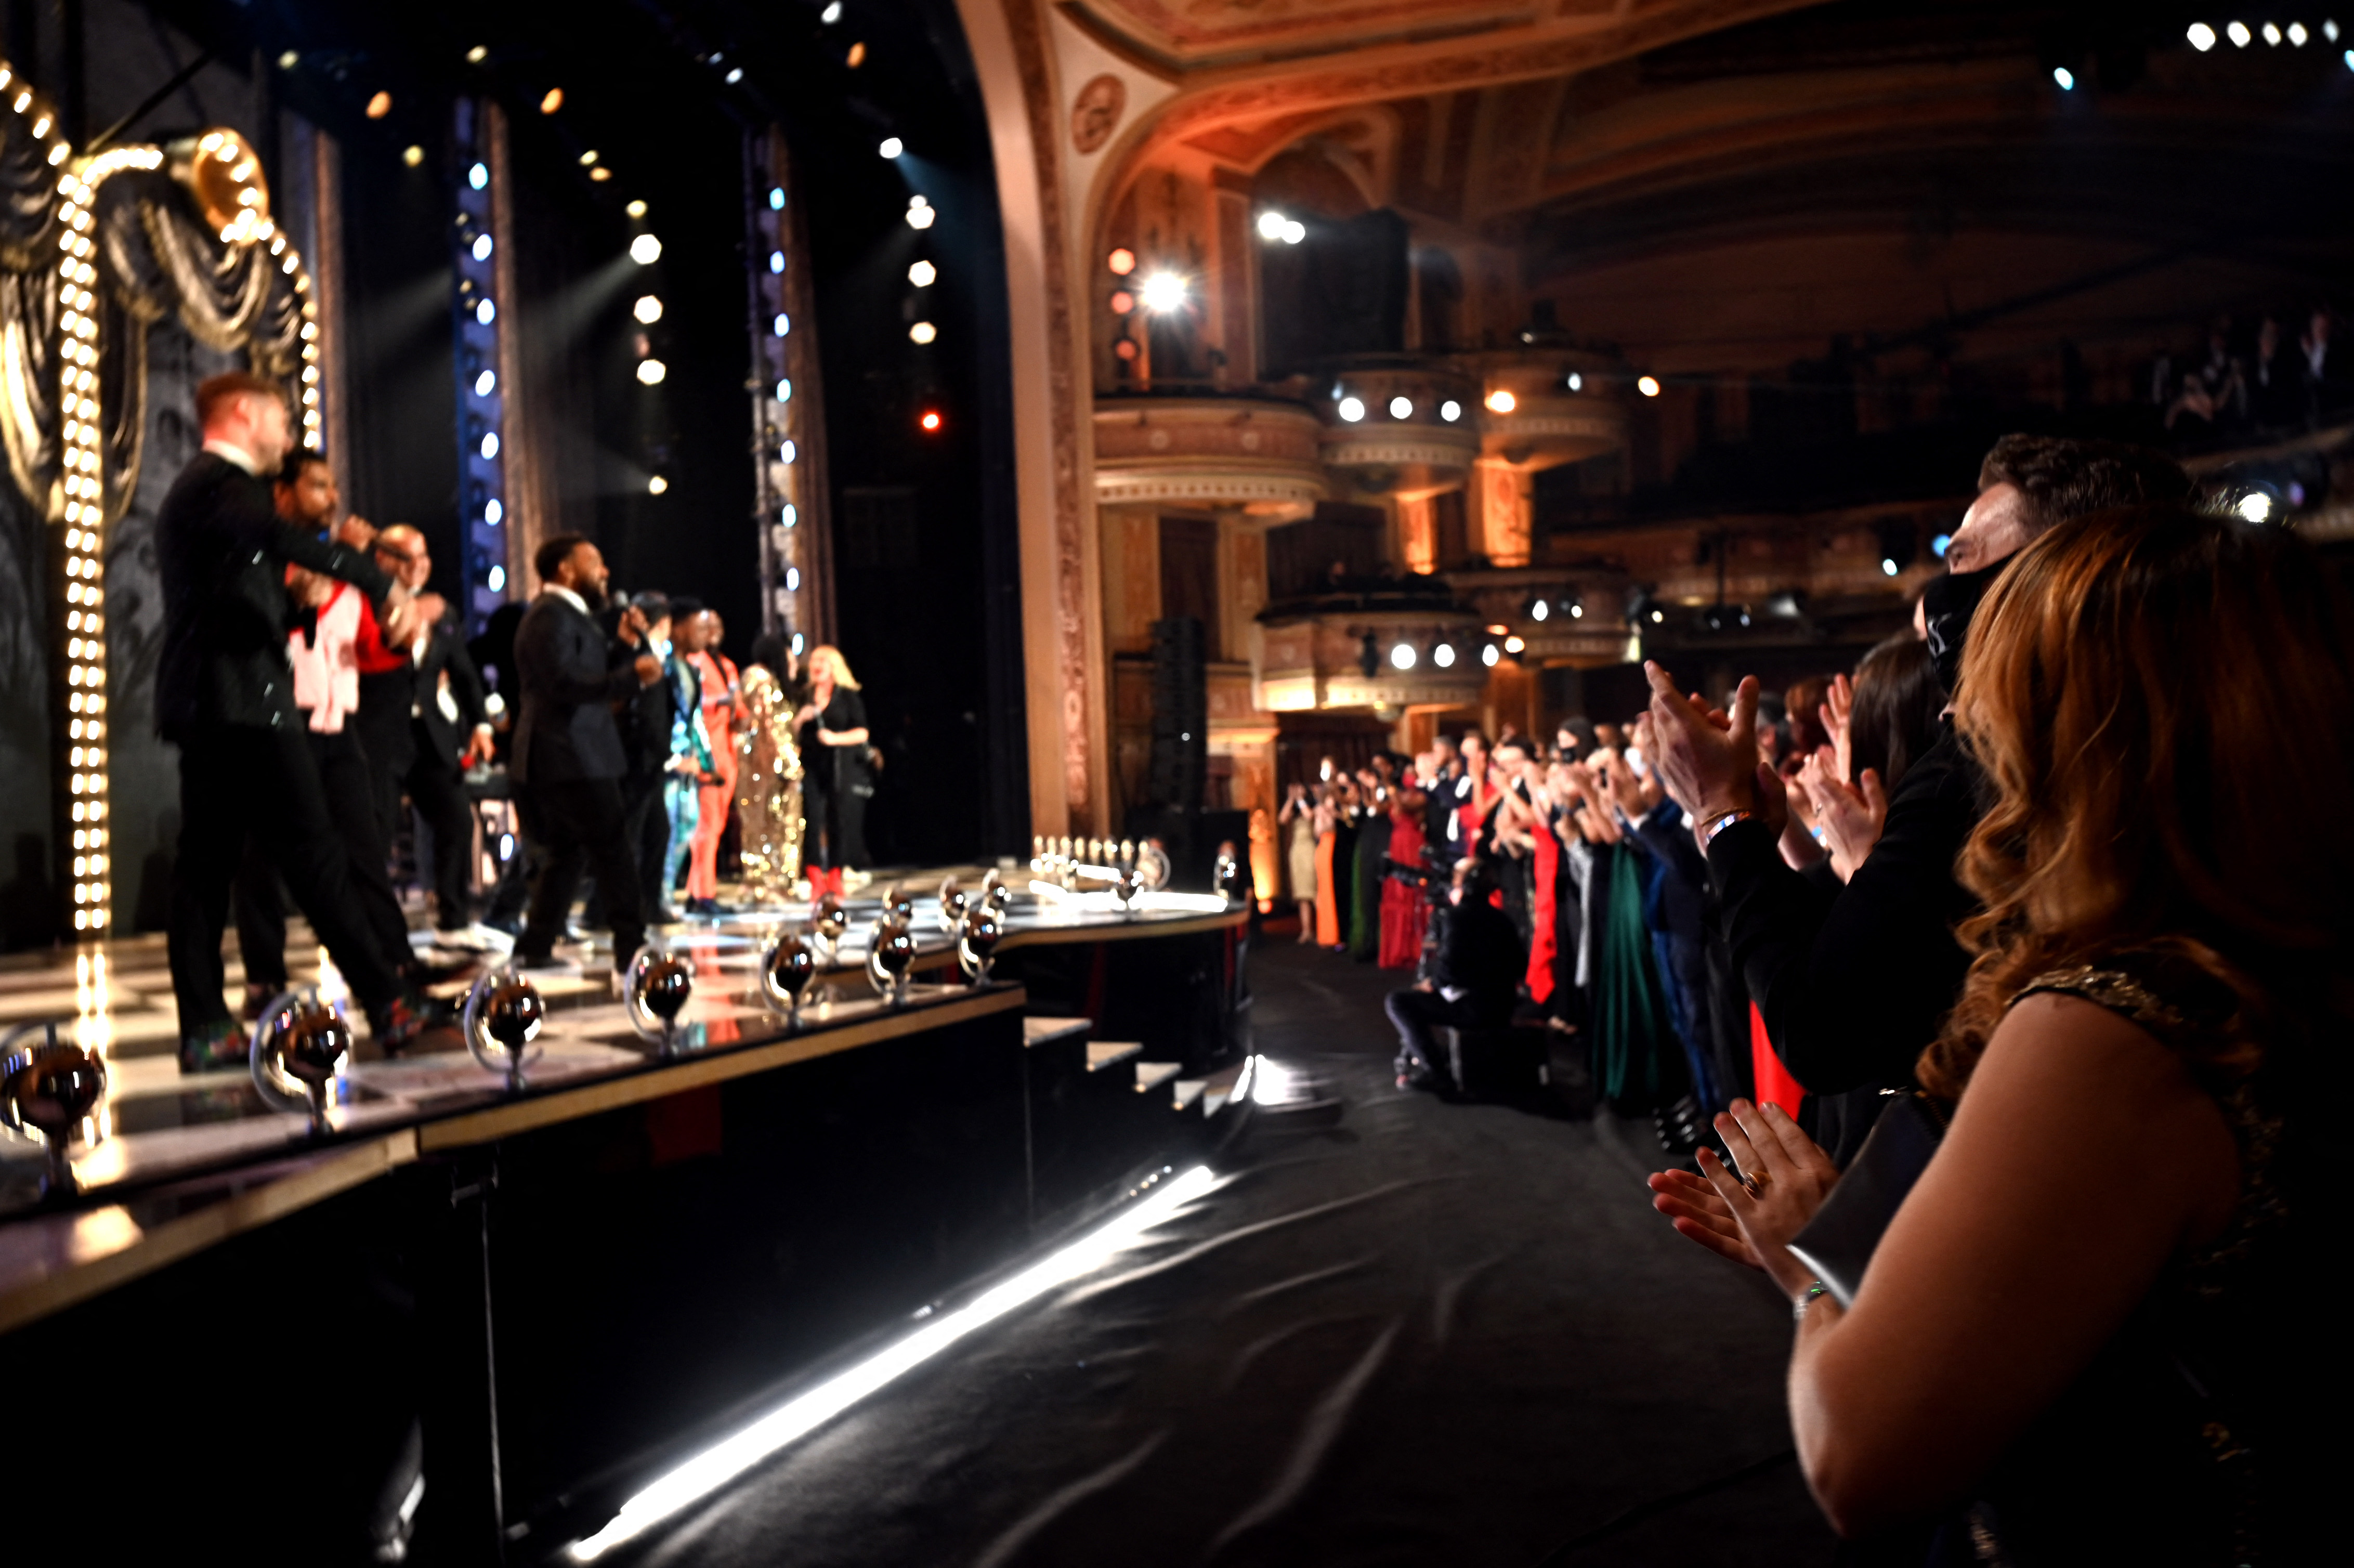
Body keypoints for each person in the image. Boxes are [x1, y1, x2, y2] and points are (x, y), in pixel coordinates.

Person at [1651, 504, 2350, 1561]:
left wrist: (1808, 1256)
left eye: (1992, 702)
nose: (1970, 736)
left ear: (2084, 728)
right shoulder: (2287, 958)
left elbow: (1857, 1455)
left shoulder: (2117, 1025)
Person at [1645, 435, 2192, 1150]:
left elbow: (1821, 1030)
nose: (1939, 599)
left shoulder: (1978, 769)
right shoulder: (2163, 741)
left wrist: (1723, 816)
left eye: (1962, 559)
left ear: (2053, 575)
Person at [156, 374, 434, 1069]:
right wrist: (377, 577)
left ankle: (208, 1026)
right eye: (281, 419)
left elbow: (239, 597)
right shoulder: (219, 485)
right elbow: (279, 537)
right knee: (298, 855)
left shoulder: (212, 495)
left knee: (214, 864)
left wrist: (302, 607)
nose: (288, 433)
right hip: (240, 701)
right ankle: (386, 1002)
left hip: (224, 699)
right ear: (246, 414)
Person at [509, 533, 662, 979]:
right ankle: (631, 950)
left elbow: (586, 673)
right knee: (614, 847)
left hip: (574, 750)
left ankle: (535, 945)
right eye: (594, 562)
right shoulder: (548, 617)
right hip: (567, 752)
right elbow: (563, 683)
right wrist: (630, 676)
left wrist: (622, 647)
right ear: (566, 570)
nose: (605, 572)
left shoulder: (569, 616)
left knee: (568, 851)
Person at [351, 522, 495, 946]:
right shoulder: (365, 600)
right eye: (410, 557)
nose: (422, 566)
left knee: (456, 819)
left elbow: (467, 675)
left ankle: (452, 921)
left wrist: (482, 724)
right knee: (376, 831)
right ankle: (372, 929)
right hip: (380, 732)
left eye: (426, 557)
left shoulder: (443, 611)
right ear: (383, 559)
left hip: (432, 733)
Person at [1384, 856, 1523, 1090]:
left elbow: (1450, 969)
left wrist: (1433, 983)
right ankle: (1442, 1059)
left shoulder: (1457, 917)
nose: (1452, 882)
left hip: (1474, 1008)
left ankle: (1435, 1071)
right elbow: (1520, 965)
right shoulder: (1503, 920)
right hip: (1502, 1006)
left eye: (1458, 877)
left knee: (1398, 1002)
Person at [795, 644, 871, 898]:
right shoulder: (804, 695)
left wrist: (835, 739)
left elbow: (862, 732)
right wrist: (800, 720)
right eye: (814, 660)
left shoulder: (847, 695)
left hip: (839, 764)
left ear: (833, 667)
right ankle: (815, 874)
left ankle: (836, 873)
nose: (816, 665)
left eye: (823, 661)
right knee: (812, 818)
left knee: (838, 817)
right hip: (810, 766)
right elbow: (788, 732)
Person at [734, 634, 805, 901]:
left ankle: (756, 882)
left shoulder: (750, 680)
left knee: (755, 821)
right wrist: (791, 766)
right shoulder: (766, 683)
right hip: (771, 762)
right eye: (790, 660)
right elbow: (773, 727)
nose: (794, 665)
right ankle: (774, 883)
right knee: (779, 821)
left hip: (753, 760)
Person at [681, 607, 742, 917]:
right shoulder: (693, 664)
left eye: (717, 625)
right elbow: (689, 706)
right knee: (705, 828)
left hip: (728, 752)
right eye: (705, 626)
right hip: (707, 757)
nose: (713, 631)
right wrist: (719, 702)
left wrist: (742, 713)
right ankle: (703, 895)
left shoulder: (728, 665)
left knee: (715, 827)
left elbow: (739, 709)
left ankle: (698, 892)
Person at [1278, 781, 1316, 942]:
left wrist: (1300, 800)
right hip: (1297, 850)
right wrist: (1291, 800)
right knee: (1302, 893)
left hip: (1310, 848)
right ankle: (1307, 930)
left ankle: (1325, 929)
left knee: (1314, 890)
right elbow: (1281, 820)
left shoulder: (1313, 806)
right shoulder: (1294, 809)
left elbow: (1309, 816)